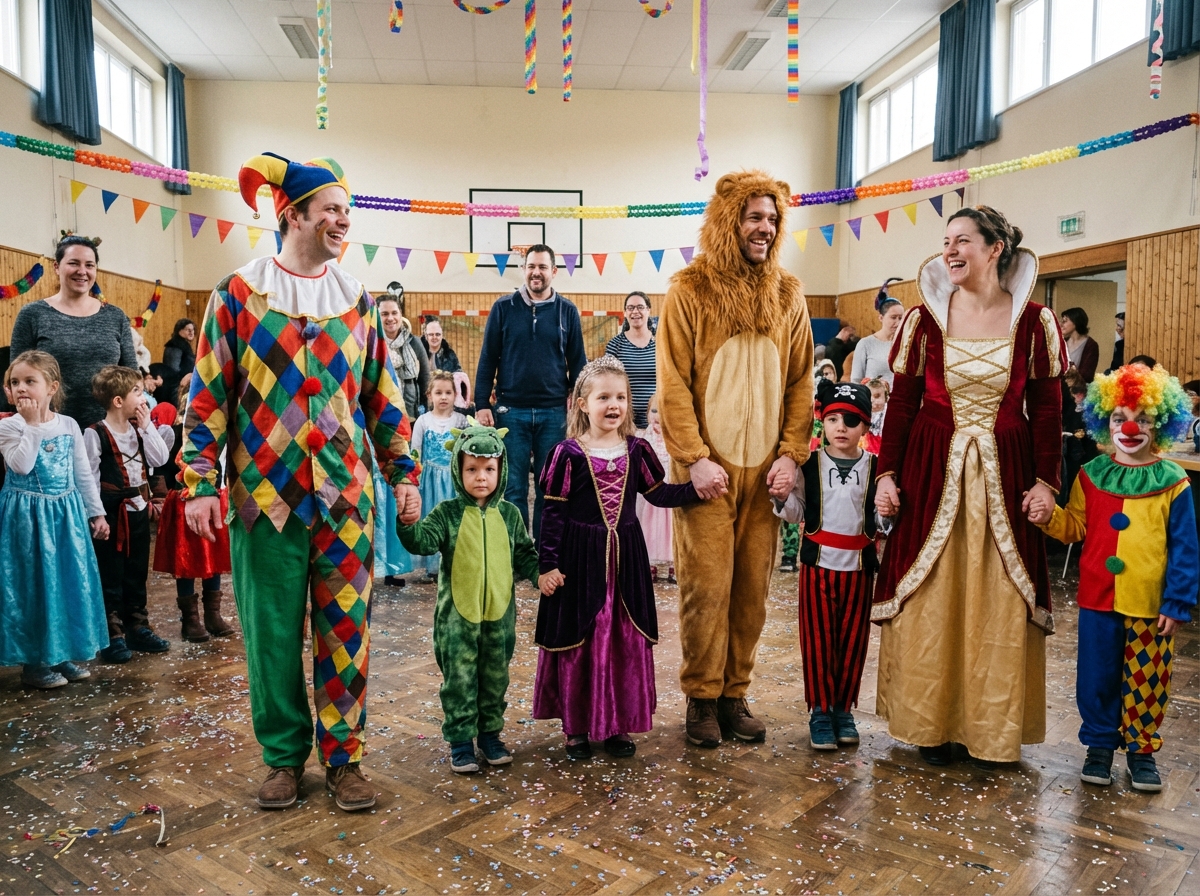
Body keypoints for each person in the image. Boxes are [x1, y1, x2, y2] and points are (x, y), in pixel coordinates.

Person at [180, 151, 421, 814]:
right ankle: (284, 758)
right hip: (265, 500)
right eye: (333, 211)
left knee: (347, 630)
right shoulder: (237, 295)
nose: (344, 222)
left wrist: (403, 471)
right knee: (272, 633)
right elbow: (206, 395)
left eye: (347, 211)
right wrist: (200, 479)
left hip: (345, 499)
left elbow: (382, 396)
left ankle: (345, 760)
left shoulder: (358, 303)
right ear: (293, 215)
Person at [873, 205, 1065, 768]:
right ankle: (932, 725)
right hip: (932, 467)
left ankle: (988, 728)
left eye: (963, 241)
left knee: (998, 600)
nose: (950, 250)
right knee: (932, 593)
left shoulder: (1033, 321)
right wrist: (887, 473)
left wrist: (1046, 483)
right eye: (946, 241)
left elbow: (1048, 410)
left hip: (1005, 469)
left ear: (994, 248)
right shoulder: (923, 319)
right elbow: (904, 405)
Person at [657, 170, 814, 748]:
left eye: (773, 219)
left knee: (752, 589)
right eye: (754, 217)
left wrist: (792, 455)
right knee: (706, 587)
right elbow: (671, 384)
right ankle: (701, 697)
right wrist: (694, 458)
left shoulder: (790, 296)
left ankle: (734, 694)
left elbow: (800, 384)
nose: (765, 229)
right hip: (707, 476)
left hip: (764, 474)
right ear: (729, 222)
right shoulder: (689, 291)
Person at [1029, 364, 1198, 792]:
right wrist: (1051, 517)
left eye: (1142, 418)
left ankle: (1141, 751)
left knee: (1148, 678)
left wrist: (1177, 602)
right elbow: (1076, 529)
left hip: (1150, 603)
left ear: (1160, 424)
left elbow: (1185, 548)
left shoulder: (1173, 480)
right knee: (1097, 677)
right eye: (1119, 417)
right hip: (1097, 599)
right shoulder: (1091, 474)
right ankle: (1100, 746)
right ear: (1104, 421)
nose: (1130, 427)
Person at [533, 356, 703, 758]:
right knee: (582, 639)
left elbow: (659, 494)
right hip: (579, 561)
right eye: (604, 397)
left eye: (621, 397)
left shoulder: (638, 450)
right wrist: (548, 564)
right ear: (581, 404)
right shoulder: (567, 454)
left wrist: (697, 488)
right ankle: (577, 727)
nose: (614, 405)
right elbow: (552, 515)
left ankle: (616, 725)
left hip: (625, 562)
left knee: (621, 637)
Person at [397, 422, 542, 773]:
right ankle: (461, 740)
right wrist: (408, 523)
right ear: (458, 471)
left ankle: (490, 735)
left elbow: (523, 553)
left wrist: (541, 574)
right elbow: (423, 541)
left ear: (501, 470)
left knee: (495, 678)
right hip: (457, 621)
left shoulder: (509, 514)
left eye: (489, 469)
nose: (481, 477)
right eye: (472, 469)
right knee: (460, 680)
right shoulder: (447, 514)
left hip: (499, 618)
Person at [774, 380, 892, 750]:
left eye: (852, 421)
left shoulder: (876, 467)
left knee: (853, 643)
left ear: (865, 427)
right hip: (817, 568)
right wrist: (779, 499)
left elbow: (879, 519)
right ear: (822, 422)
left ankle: (844, 709)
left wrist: (887, 515)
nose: (842, 427)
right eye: (834, 419)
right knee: (819, 641)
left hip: (859, 569)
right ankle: (820, 712)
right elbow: (798, 512)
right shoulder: (808, 464)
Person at [0, 351, 109, 689]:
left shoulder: (69, 425)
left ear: (52, 387)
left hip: (65, 517)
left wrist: (97, 512)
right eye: (14, 383)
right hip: (27, 520)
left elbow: (82, 473)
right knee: (33, 587)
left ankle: (60, 654)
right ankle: (34, 663)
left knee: (63, 583)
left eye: (30, 381)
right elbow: (20, 466)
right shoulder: (9, 426)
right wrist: (31, 426)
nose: (21, 389)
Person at [474, 245, 587, 539]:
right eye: (531, 266)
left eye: (542, 267)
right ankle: (517, 549)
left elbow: (578, 364)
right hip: (511, 411)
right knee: (512, 487)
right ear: (523, 270)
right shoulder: (503, 308)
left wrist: (580, 406)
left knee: (548, 487)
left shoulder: (567, 311)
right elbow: (488, 358)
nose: (536, 272)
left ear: (554, 272)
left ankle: (542, 554)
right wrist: (481, 403)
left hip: (554, 413)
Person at [85, 366, 172, 664]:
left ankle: (137, 626)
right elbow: (89, 478)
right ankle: (111, 634)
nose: (144, 396)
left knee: (136, 572)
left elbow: (160, 459)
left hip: (137, 510)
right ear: (118, 401)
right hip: (110, 513)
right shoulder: (94, 433)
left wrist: (148, 427)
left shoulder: (139, 429)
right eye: (137, 391)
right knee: (111, 573)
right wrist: (96, 515)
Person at [10, 235, 137, 427]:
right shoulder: (33, 314)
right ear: (56, 267)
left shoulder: (115, 316)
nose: (82, 271)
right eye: (73, 263)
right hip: (48, 428)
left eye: (89, 265)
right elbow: (16, 376)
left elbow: (131, 376)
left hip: (108, 430)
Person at [152, 392, 234, 644]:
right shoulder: (174, 434)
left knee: (213, 558)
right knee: (185, 562)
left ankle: (213, 614)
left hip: (214, 498)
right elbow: (160, 464)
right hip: (182, 502)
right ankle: (190, 620)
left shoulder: (219, 436)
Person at [408, 372, 470, 579]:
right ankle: (433, 567)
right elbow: (415, 451)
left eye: (448, 393)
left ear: (455, 395)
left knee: (455, 522)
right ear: (429, 395)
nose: (443, 397)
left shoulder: (462, 421)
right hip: (430, 483)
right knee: (433, 521)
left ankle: (455, 564)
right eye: (438, 392)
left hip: (453, 482)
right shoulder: (423, 421)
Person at [636, 393, 676, 583]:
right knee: (648, 527)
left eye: (663, 412)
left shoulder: (675, 439)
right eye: (653, 411)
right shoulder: (644, 437)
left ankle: (674, 566)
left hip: (670, 489)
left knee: (671, 528)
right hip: (651, 492)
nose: (657, 416)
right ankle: (649, 564)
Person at [604, 292, 657, 430]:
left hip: (658, 420)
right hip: (624, 420)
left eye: (640, 307)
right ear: (625, 313)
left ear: (648, 310)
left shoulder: (661, 342)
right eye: (630, 308)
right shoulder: (615, 345)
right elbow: (608, 383)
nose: (635, 311)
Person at [379, 285, 431, 421]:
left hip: (411, 414)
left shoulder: (415, 343)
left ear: (401, 315)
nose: (390, 318)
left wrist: (426, 410)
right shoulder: (371, 344)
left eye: (394, 313)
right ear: (377, 317)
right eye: (384, 314)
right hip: (380, 415)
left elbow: (425, 378)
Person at [851, 278, 905, 386]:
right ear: (881, 317)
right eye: (893, 317)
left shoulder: (906, 343)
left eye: (901, 318)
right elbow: (856, 380)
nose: (898, 322)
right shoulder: (865, 344)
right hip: (873, 400)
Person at [160, 319, 197, 407]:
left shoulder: (183, 345)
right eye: (188, 330)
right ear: (180, 330)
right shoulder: (175, 345)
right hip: (176, 388)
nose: (191, 332)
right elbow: (173, 369)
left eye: (193, 330)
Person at [1060, 307, 1099, 385]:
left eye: (1065, 321)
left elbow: (1087, 376)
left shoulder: (1091, 345)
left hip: (1077, 392)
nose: (1061, 324)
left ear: (1075, 322)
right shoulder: (1062, 342)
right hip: (1060, 389)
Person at [863, 377, 890, 456]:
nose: (872, 400)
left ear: (886, 398)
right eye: (869, 396)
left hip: (882, 448)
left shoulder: (888, 415)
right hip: (865, 447)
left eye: (877, 396)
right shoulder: (863, 412)